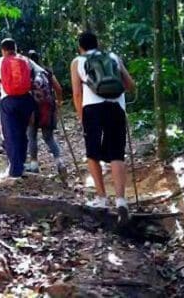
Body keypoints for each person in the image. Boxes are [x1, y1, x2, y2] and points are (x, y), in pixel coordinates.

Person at [70, 31, 135, 224]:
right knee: (117, 154)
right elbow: (131, 85)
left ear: (80, 47)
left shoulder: (77, 62)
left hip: (92, 110)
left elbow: (76, 93)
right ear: (97, 44)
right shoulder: (113, 57)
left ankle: (102, 198)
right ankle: (121, 201)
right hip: (116, 108)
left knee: (92, 154)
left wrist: (81, 116)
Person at [0, 38, 37, 178]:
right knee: (22, 133)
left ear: (3, 50)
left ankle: (14, 170)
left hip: (8, 100)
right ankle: (20, 164)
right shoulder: (26, 60)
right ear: (15, 48)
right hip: (27, 100)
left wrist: (2, 81)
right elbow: (40, 74)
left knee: (10, 135)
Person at [25, 50, 66, 179]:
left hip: (33, 108)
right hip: (48, 108)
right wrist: (59, 102)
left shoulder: (27, 73)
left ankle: (34, 164)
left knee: (31, 136)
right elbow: (58, 88)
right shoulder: (47, 72)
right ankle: (59, 161)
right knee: (49, 138)